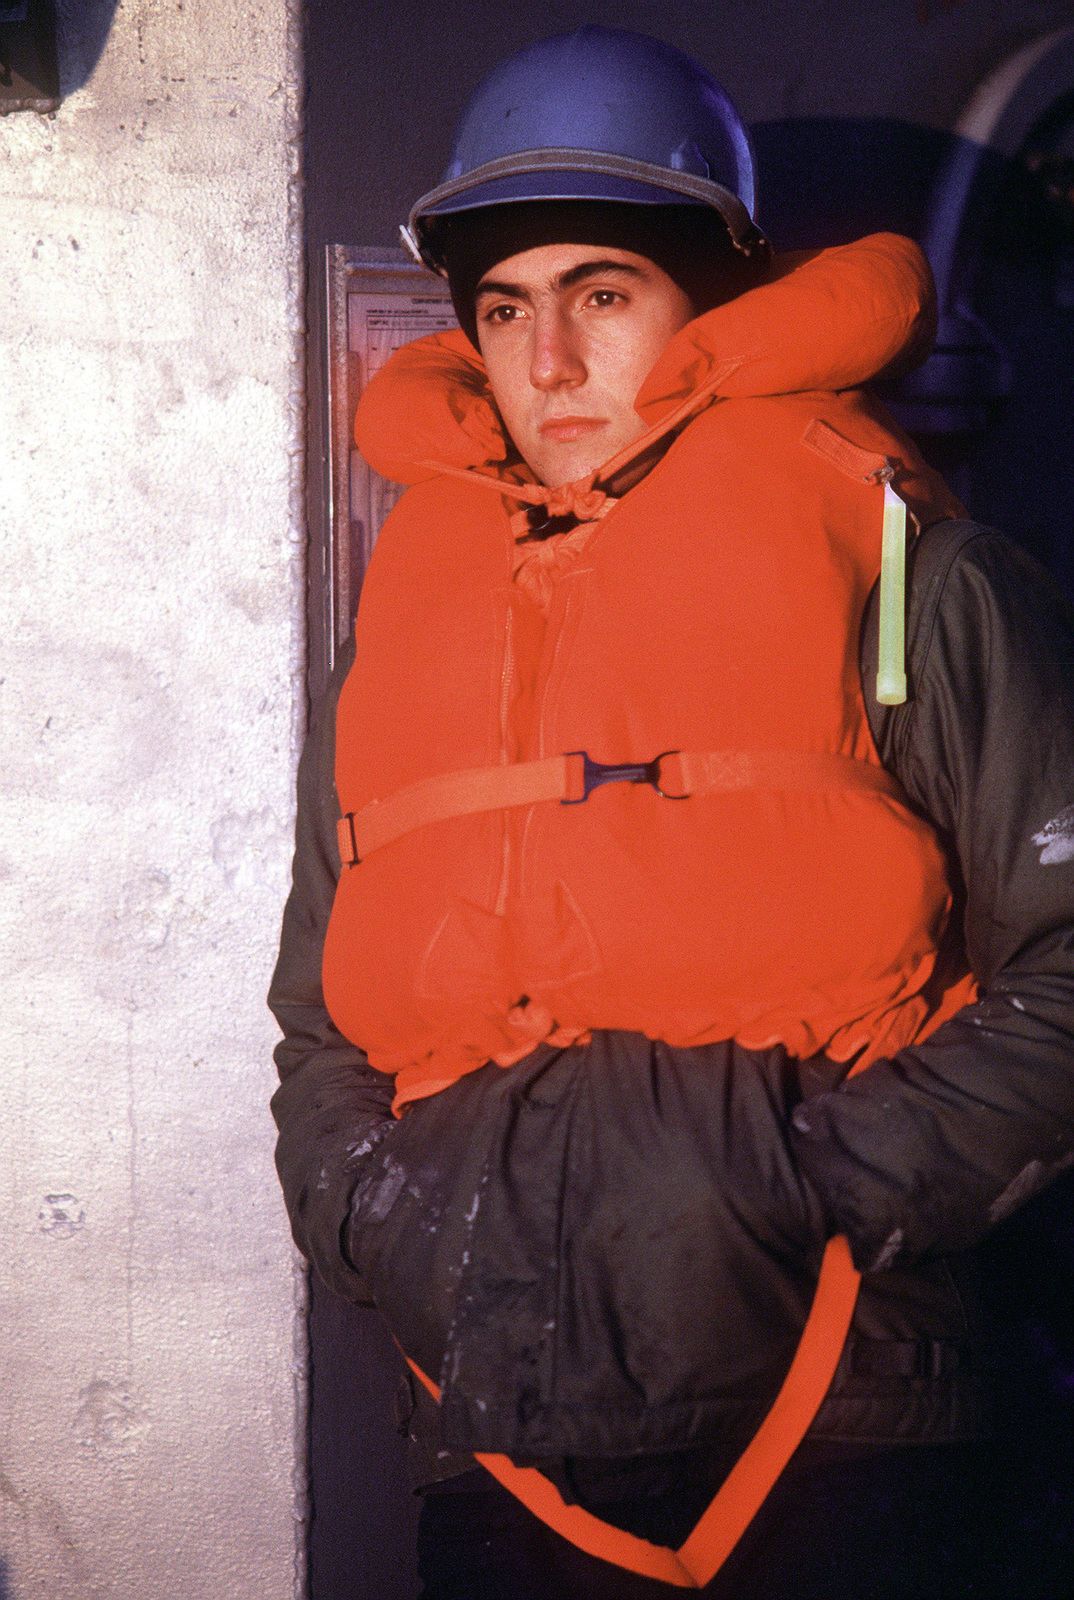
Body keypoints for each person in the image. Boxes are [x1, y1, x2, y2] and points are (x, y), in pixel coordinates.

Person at [270, 26, 1074, 1599]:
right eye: (503, 311)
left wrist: (807, 1186)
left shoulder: (916, 573)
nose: (547, 364)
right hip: (494, 1427)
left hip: (846, 1403)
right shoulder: (407, 622)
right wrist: (374, 1214)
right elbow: (315, 1017)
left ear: (704, 296)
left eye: (603, 296)